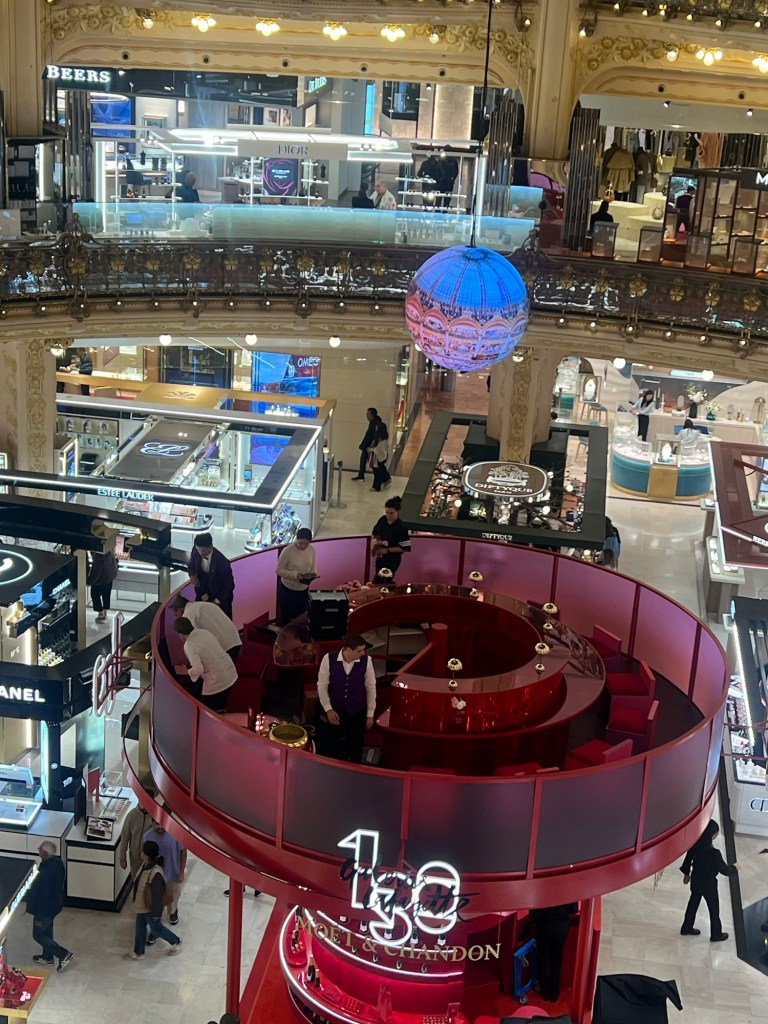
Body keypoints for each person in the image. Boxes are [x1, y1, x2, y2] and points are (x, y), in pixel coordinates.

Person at [316, 633, 376, 763]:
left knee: (355, 747)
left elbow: (371, 688)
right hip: (336, 710)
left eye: (364, 650)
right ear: (348, 649)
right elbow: (322, 686)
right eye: (359, 651)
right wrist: (328, 709)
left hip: (357, 711)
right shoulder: (328, 659)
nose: (363, 653)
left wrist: (370, 714)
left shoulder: (367, 661)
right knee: (332, 746)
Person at [123, 840, 182, 960]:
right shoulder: (144, 865)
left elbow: (157, 895)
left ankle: (176, 941)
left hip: (149, 908)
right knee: (140, 929)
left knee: (157, 929)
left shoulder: (155, 873)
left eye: (143, 851)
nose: (141, 852)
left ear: (146, 855)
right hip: (141, 906)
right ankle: (139, 952)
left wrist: (156, 913)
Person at [680, 819, 736, 942]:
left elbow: (687, 860)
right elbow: (725, 870)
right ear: (712, 834)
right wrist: (734, 868)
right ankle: (716, 934)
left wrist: (686, 874)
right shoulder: (714, 853)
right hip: (709, 884)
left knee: (693, 904)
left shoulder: (695, 845)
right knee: (713, 909)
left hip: (696, 880)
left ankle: (686, 927)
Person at [26, 841, 74, 972]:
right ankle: (47, 957)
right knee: (47, 931)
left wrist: (39, 916)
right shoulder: (57, 863)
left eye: (40, 849)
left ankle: (63, 954)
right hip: (55, 905)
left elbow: (43, 896)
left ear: (45, 853)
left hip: (45, 909)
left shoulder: (46, 872)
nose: (38, 850)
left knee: (38, 935)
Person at [173, 618, 237, 712]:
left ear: (180, 634)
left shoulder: (189, 644)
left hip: (217, 680)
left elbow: (198, 669)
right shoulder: (203, 632)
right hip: (230, 671)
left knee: (204, 711)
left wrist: (185, 671)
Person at [142, 821, 187, 927]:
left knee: (173, 895)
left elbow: (183, 852)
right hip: (154, 875)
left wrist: (181, 872)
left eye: (162, 824)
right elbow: (144, 856)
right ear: (152, 823)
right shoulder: (147, 836)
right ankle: (157, 917)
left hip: (172, 872)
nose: (160, 827)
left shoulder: (176, 834)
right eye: (157, 824)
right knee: (156, 897)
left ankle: (173, 912)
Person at [171, 594, 241, 662]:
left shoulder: (188, 613)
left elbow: (191, 636)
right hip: (235, 639)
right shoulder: (203, 604)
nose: (178, 617)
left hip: (224, 646)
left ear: (180, 609)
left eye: (176, 614)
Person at [531, 903, 577, 1003]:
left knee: (543, 957)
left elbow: (534, 911)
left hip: (544, 923)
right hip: (562, 924)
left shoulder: (542, 890)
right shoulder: (568, 890)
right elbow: (574, 909)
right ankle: (555, 992)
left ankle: (545, 991)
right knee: (557, 957)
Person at [188, 533, 235, 618]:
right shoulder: (195, 551)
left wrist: (216, 601)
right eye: (198, 550)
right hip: (201, 591)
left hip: (219, 597)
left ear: (211, 546)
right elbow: (191, 566)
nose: (200, 553)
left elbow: (229, 585)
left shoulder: (222, 562)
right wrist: (192, 575)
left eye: (203, 551)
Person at [276, 528, 317, 625]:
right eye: (300, 543)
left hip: (303, 590)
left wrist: (313, 574)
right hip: (288, 590)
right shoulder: (288, 551)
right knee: (286, 617)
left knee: (300, 618)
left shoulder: (312, 550)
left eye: (306, 544)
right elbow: (278, 570)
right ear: (296, 540)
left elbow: (313, 567)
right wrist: (295, 575)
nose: (303, 546)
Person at [371, 496, 410, 584]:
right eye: (387, 513)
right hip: (380, 557)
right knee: (378, 577)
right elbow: (375, 533)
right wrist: (374, 545)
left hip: (392, 560)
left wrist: (387, 550)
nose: (388, 515)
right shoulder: (382, 520)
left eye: (391, 513)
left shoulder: (401, 528)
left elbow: (404, 547)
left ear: (397, 512)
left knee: (381, 581)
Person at [118, 800, 153, 878]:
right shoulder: (132, 815)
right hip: (135, 857)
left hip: (149, 858)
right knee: (136, 878)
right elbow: (125, 837)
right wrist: (122, 857)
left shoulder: (153, 816)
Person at [87, 549, 118, 623]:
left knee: (95, 596)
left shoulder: (98, 558)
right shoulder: (109, 553)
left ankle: (101, 614)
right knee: (106, 595)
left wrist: (89, 582)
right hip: (109, 579)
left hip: (100, 581)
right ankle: (105, 612)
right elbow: (115, 563)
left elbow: (96, 573)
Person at [353, 407, 378, 482]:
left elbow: (373, 436)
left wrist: (370, 446)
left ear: (372, 414)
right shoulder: (373, 422)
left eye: (368, 413)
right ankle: (361, 475)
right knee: (365, 461)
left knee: (371, 462)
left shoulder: (375, 424)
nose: (366, 415)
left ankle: (382, 477)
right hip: (367, 446)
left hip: (369, 446)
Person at [369, 417, 391, 493]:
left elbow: (378, 450)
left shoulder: (380, 440)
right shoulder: (384, 438)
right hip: (382, 457)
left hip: (378, 457)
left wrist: (371, 450)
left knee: (377, 472)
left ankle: (376, 486)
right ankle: (386, 478)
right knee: (381, 469)